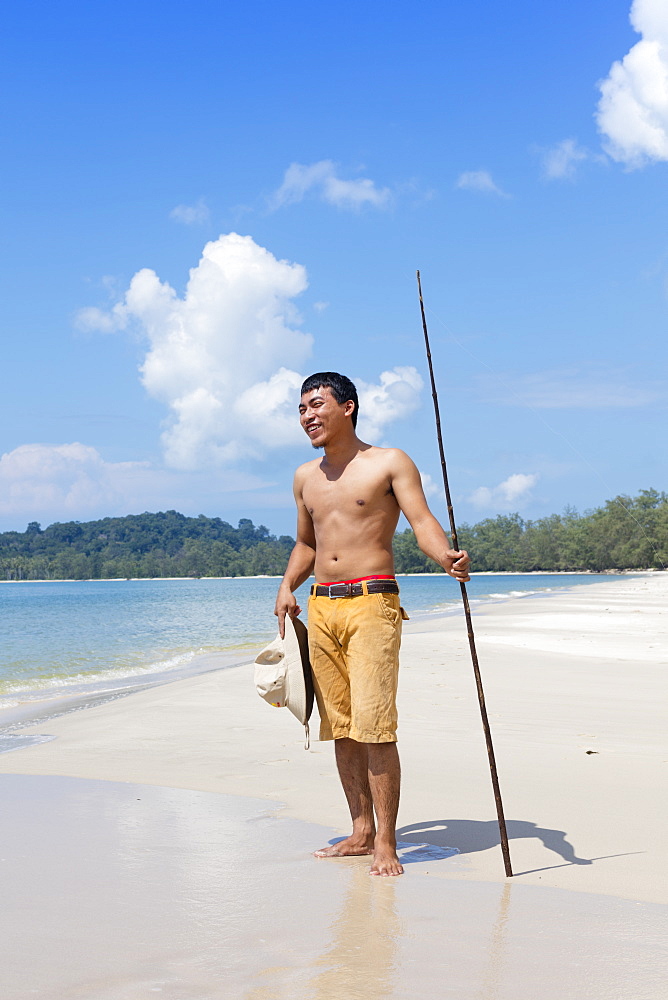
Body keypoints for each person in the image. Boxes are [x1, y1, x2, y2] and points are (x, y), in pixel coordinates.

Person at [274, 372, 470, 876]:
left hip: (371, 604)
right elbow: (307, 543)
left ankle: (386, 840)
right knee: (340, 727)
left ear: (349, 407)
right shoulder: (304, 477)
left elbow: (421, 521)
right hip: (322, 606)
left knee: (375, 726)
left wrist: (445, 556)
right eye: (301, 409)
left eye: (316, 405)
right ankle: (360, 830)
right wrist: (285, 587)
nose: (307, 416)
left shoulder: (389, 461)